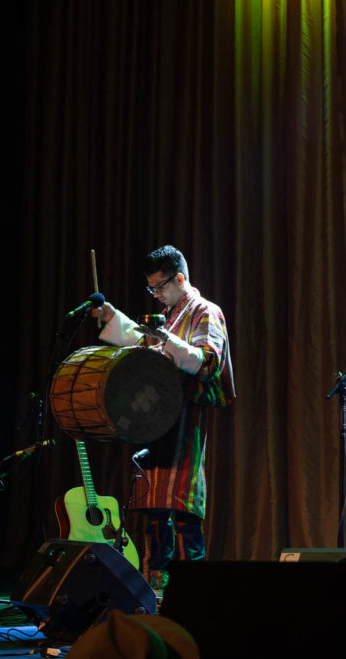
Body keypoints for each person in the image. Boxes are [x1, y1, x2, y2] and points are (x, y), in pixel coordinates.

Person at [93, 245, 234, 595]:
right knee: (155, 507)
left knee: (182, 505)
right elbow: (144, 343)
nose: (156, 295)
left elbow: (207, 361)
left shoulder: (205, 311)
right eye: (151, 289)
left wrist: (166, 338)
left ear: (180, 279)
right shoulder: (170, 313)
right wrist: (113, 318)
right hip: (157, 418)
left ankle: (193, 591)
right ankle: (154, 590)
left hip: (187, 415)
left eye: (160, 287)